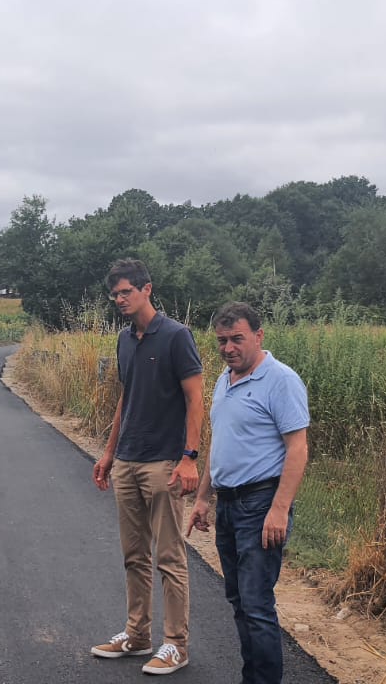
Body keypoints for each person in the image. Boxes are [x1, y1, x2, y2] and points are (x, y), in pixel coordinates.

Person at [90, 258, 205, 676]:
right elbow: (128, 397)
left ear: (147, 289)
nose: (120, 299)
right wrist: (108, 452)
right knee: (133, 555)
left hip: (164, 462)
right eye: (115, 294)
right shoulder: (125, 339)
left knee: (170, 557)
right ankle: (137, 635)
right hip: (127, 460)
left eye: (126, 292)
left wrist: (190, 457)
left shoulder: (176, 336)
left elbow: (195, 398)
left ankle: (176, 644)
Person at [189, 302, 310, 684]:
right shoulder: (225, 379)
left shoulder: (281, 380)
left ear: (258, 336)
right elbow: (220, 445)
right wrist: (203, 499)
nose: (228, 348)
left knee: (257, 604)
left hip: (260, 504)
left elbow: (298, 448)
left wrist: (279, 509)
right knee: (239, 601)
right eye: (222, 341)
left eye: (237, 339)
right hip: (227, 505)